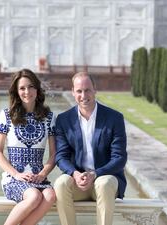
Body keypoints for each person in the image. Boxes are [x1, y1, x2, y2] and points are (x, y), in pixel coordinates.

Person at [54, 72, 127, 225]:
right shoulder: (63, 120)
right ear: (73, 92)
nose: (83, 95)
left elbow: (119, 158)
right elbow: (61, 156)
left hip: (105, 178)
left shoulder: (114, 118)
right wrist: (74, 174)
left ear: (95, 90)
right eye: (79, 91)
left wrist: (95, 174)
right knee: (60, 183)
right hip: (78, 181)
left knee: (104, 183)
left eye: (87, 90)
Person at [0, 69, 57, 225]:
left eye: (30, 87)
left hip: (38, 177)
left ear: (37, 89)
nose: (27, 91)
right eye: (22, 88)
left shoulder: (49, 118)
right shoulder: (6, 115)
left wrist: (42, 174)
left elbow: (54, 154)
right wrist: (16, 174)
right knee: (34, 196)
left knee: (50, 196)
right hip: (14, 178)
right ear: (16, 91)